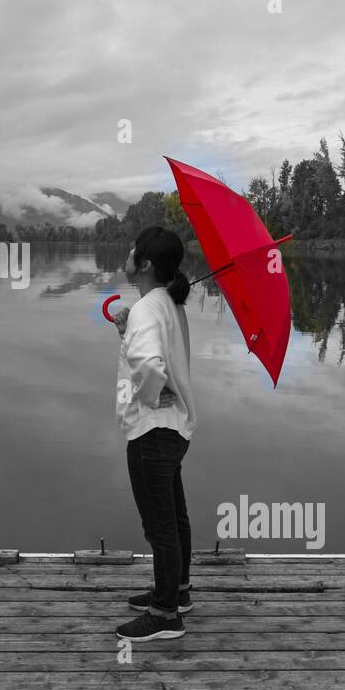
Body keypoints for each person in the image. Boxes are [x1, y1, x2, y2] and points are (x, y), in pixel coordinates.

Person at [110, 225, 197, 641]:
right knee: (175, 519)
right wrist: (126, 328)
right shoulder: (166, 303)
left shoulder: (149, 308)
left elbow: (147, 365)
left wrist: (151, 394)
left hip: (152, 432)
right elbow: (149, 349)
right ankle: (177, 593)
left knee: (159, 526)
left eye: (132, 251)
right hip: (175, 429)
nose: (126, 255)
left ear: (144, 264)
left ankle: (165, 615)